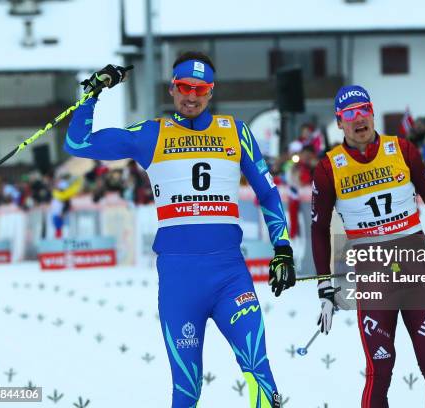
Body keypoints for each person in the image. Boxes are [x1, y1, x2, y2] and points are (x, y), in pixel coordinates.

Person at [64, 52, 295, 408]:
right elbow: (78, 144)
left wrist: (282, 249)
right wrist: (91, 94)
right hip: (180, 279)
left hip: (230, 274)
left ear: (210, 92)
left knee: (258, 367)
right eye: (184, 87)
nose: (192, 96)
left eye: (200, 89)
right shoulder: (151, 134)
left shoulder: (236, 131)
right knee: (187, 390)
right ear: (173, 88)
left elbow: (267, 192)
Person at [311, 85, 425, 408]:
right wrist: (324, 286)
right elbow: (318, 228)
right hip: (373, 281)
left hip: (417, 273)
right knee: (380, 370)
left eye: (364, 110)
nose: (359, 119)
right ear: (339, 122)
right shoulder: (329, 167)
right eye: (349, 115)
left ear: (372, 112)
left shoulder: (403, 150)